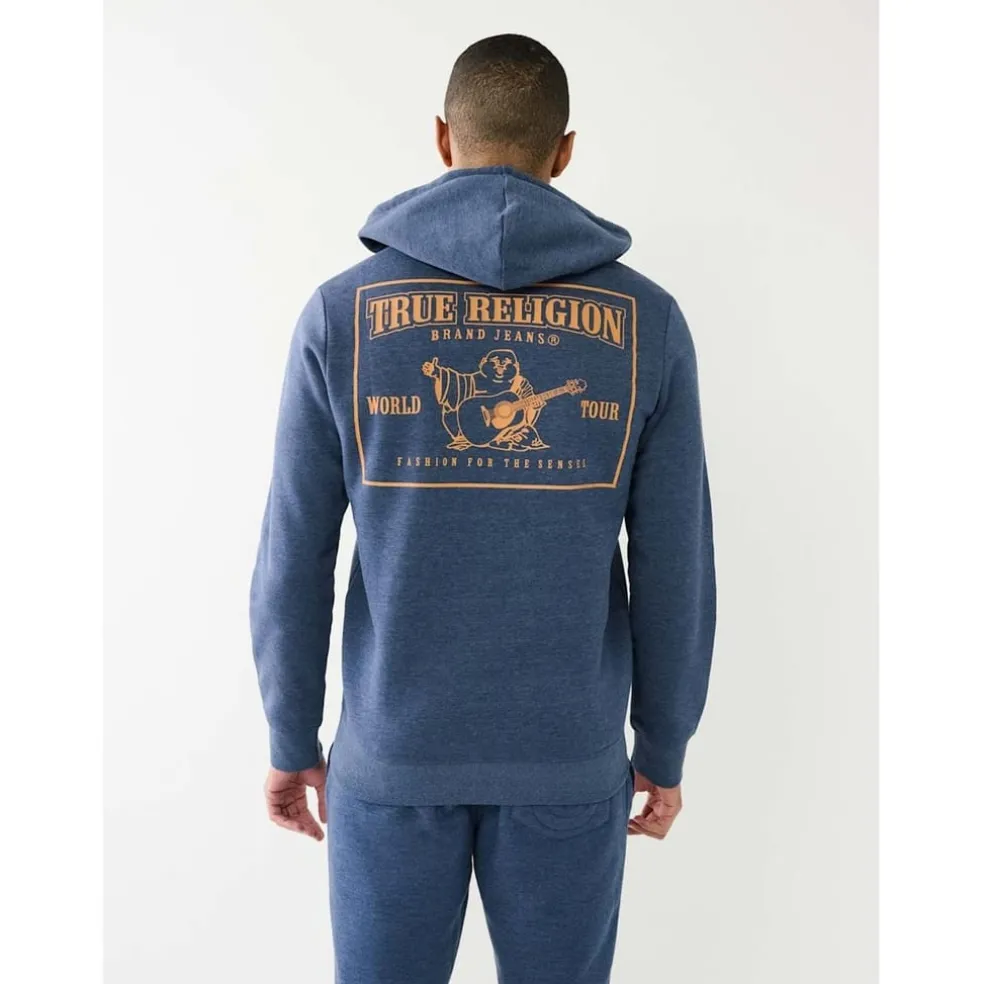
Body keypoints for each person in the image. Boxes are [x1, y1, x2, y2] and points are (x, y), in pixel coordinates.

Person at [250, 33, 716, 984]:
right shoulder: (648, 324)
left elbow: (294, 554)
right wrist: (663, 743)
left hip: (392, 760)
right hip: (570, 763)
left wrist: (292, 738)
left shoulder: (342, 316)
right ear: (564, 151)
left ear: (441, 138)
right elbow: (677, 565)